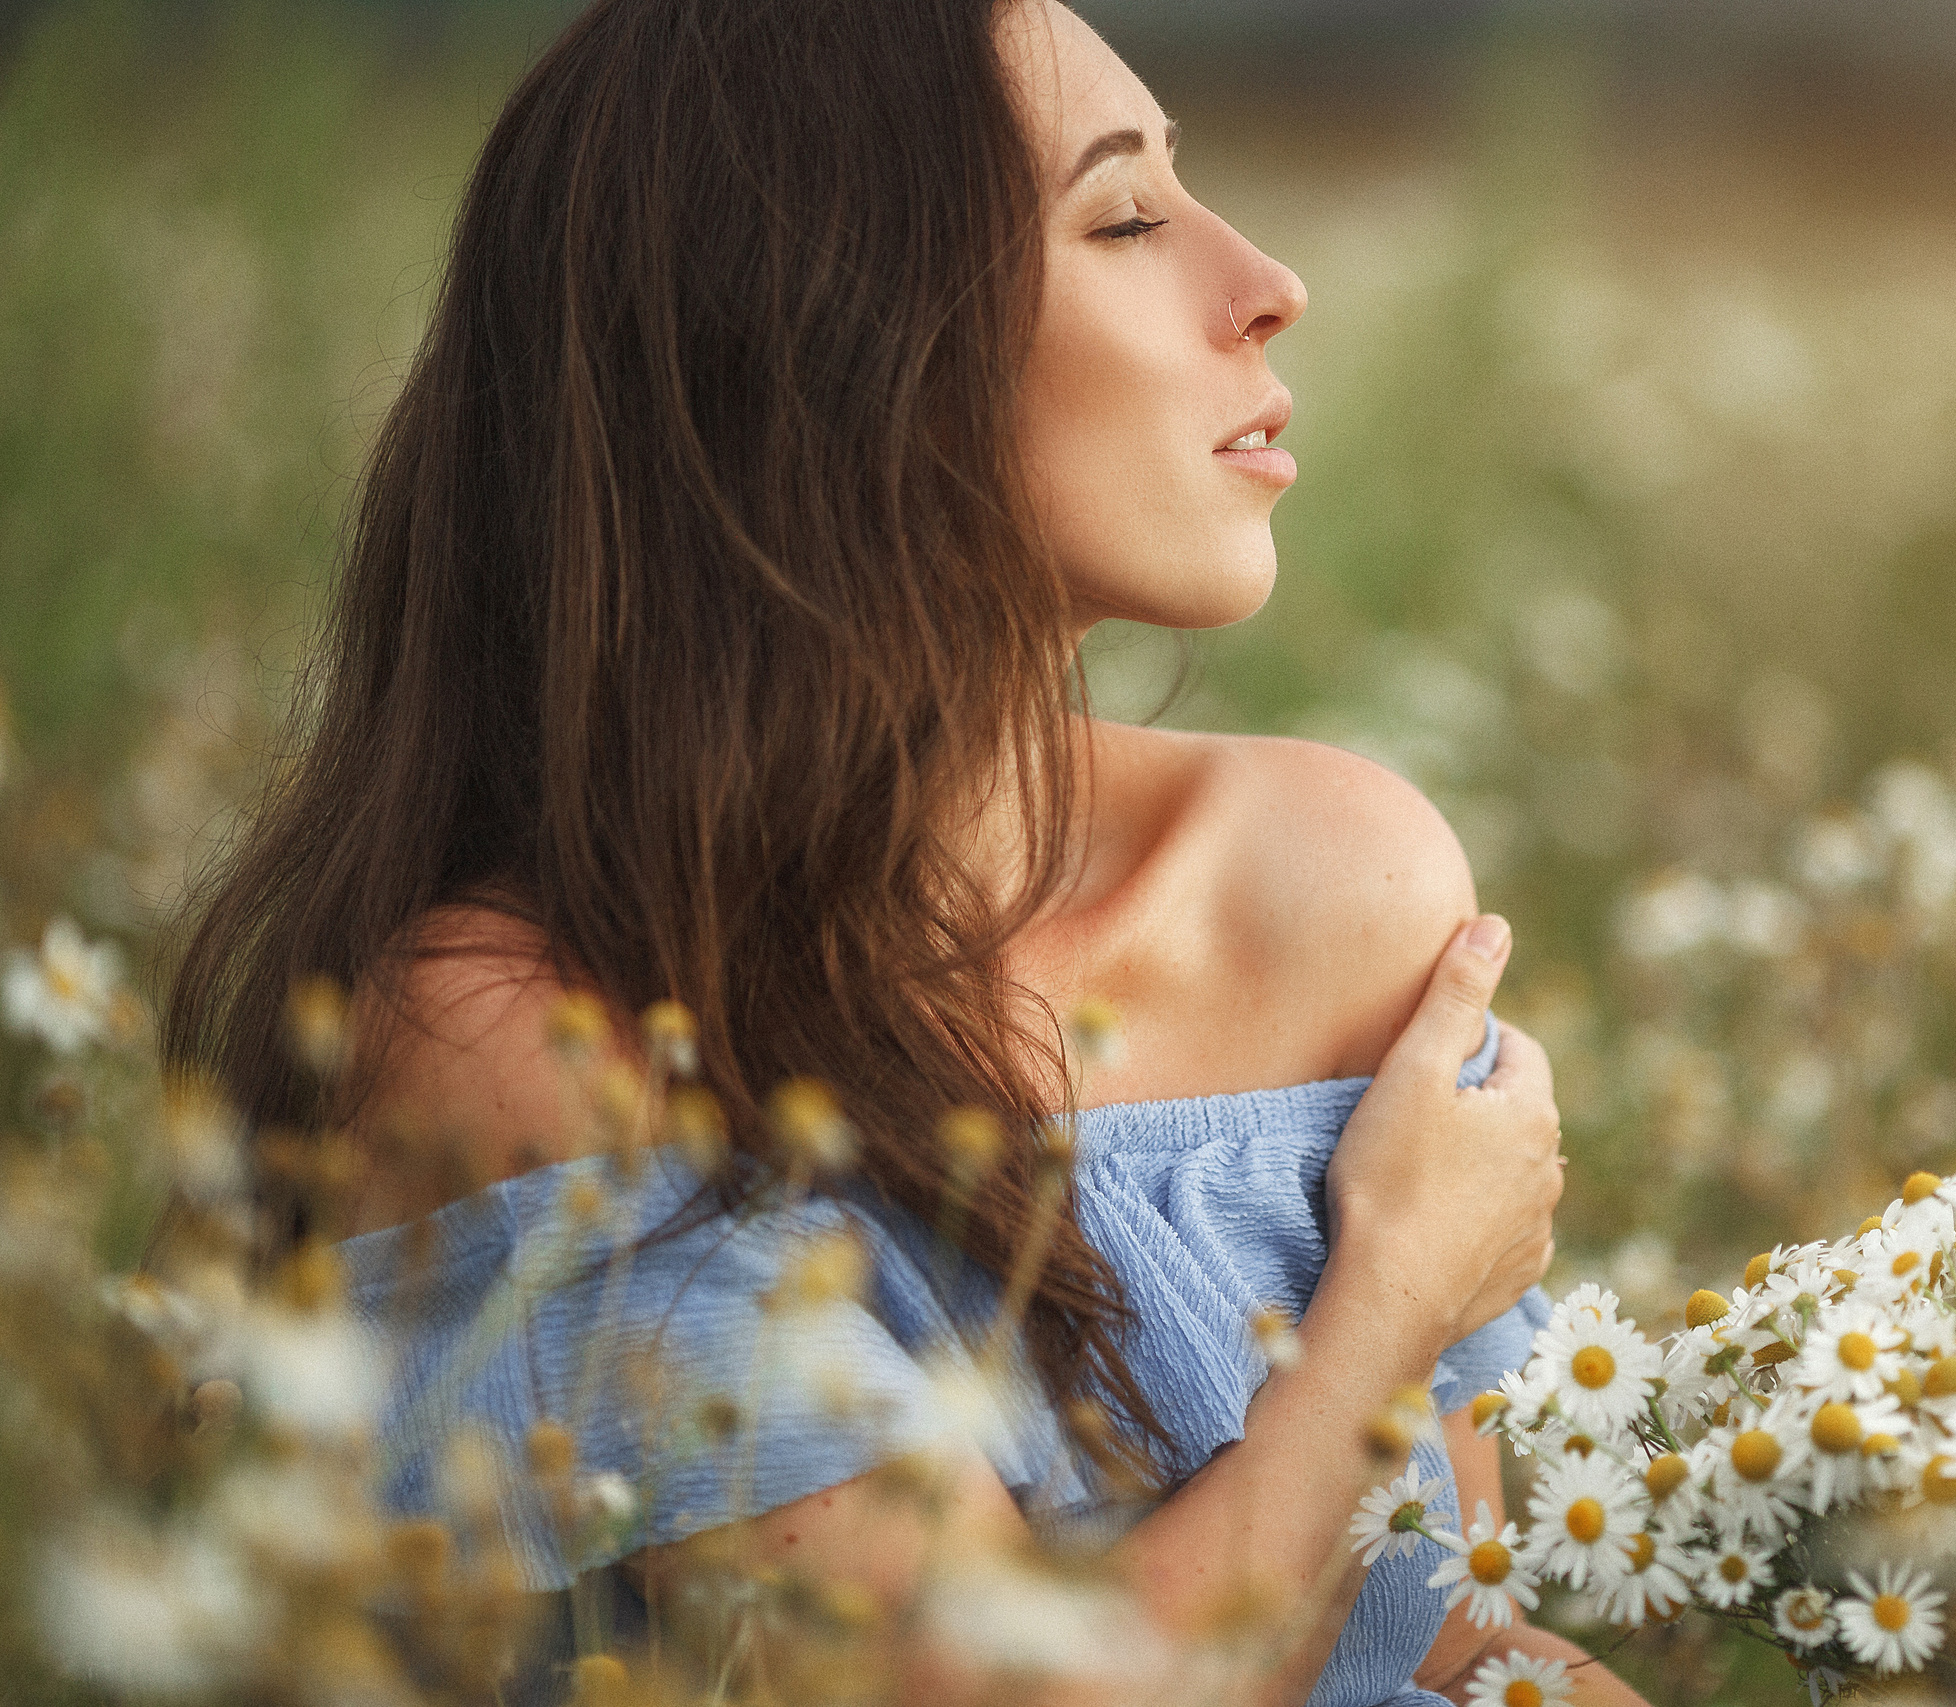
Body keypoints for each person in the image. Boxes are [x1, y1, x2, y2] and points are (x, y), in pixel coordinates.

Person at [164, 0, 1606, 1700]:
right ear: (835, 340)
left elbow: (1456, 1639)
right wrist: (1395, 1304)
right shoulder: (528, 1035)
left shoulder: (1332, 880)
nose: (1267, 280)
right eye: (1126, 216)